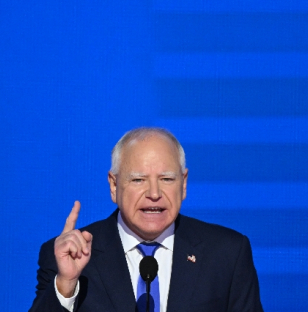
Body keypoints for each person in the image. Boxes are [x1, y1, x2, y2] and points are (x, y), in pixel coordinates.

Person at [28, 127, 263, 312]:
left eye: (167, 179)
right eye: (138, 180)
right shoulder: (69, 258)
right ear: (114, 185)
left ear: (183, 184)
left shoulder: (227, 253)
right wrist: (66, 286)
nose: (154, 193)